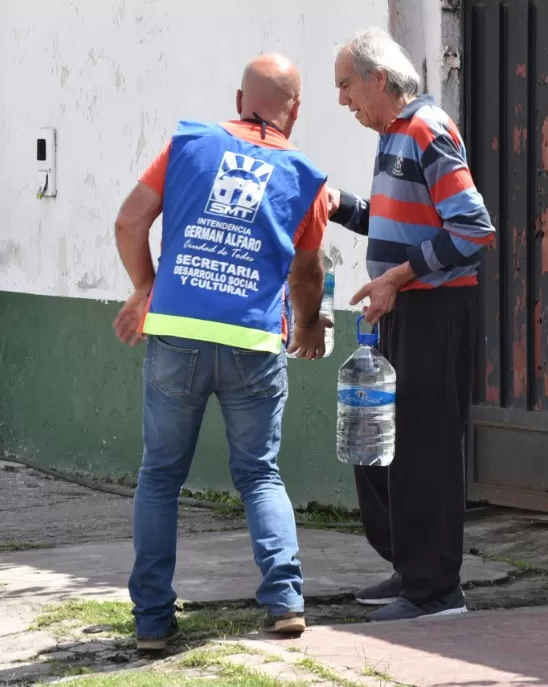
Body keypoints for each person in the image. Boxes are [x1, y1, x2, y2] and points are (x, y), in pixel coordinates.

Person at [112, 53, 333, 651]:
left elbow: (130, 222)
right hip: (254, 341)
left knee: (160, 477)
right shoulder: (306, 176)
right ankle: (284, 602)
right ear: (296, 109)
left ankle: (152, 622)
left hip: (176, 333)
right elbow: (308, 272)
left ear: (240, 101)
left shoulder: (187, 144)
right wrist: (308, 325)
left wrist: (145, 287)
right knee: (259, 473)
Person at [326, 27, 496, 622]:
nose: (343, 100)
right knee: (384, 449)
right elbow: (401, 222)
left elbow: (472, 230)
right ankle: (410, 570)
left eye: (347, 85)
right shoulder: (394, 135)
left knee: (424, 452)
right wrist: (341, 206)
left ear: (378, 78)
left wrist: (398, 278)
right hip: (403, 310)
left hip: (432, 312)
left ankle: (437, 593)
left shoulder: (426, 128)